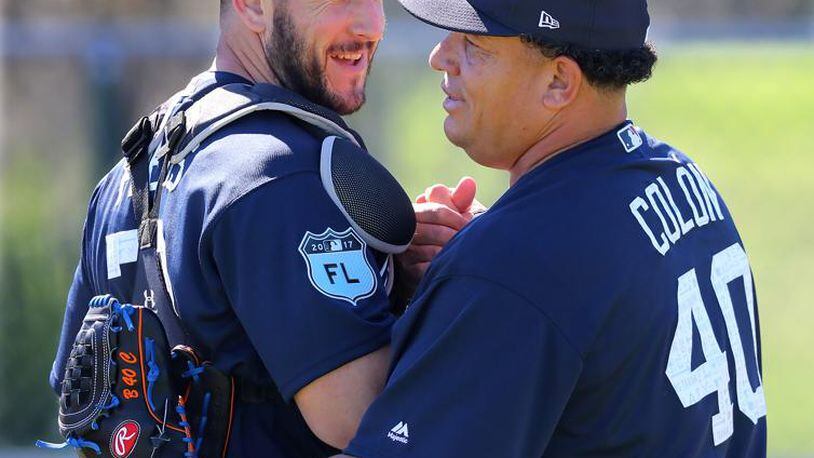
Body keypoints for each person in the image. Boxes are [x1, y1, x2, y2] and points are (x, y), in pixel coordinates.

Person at [342, 0, 768, 456]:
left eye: (474, 44)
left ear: (559, 81)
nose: (440, 57)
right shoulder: (683, 179)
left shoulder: (515, 265)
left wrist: (481, 282)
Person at [48, 0, 473, 456]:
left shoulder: (125, 176)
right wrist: (466, 285)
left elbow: (77, 402)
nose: (371, 24)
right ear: (251, 6)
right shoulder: (281, 172)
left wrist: (394, 272)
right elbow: (369, 421)